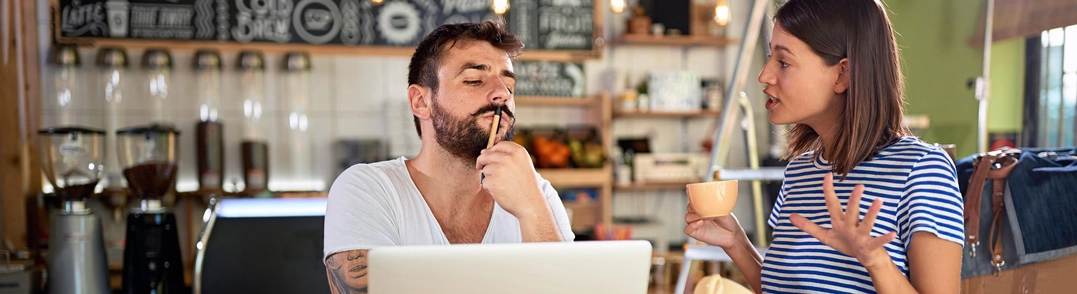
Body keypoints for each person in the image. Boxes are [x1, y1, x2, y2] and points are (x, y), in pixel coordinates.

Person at [684, 0, 964, 293]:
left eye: (783, 62)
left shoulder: (921, 170)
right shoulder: (800, 172)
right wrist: (737, 243)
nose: (764, 75)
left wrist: (875, 259)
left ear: (843, 74)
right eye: (770, 57)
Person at [323, 20, 574, 294]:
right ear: (421, 102)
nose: (502, 93)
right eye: (474, 80)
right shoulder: (368, 190)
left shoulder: (538, 196)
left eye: (510, 87)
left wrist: (531, 210)